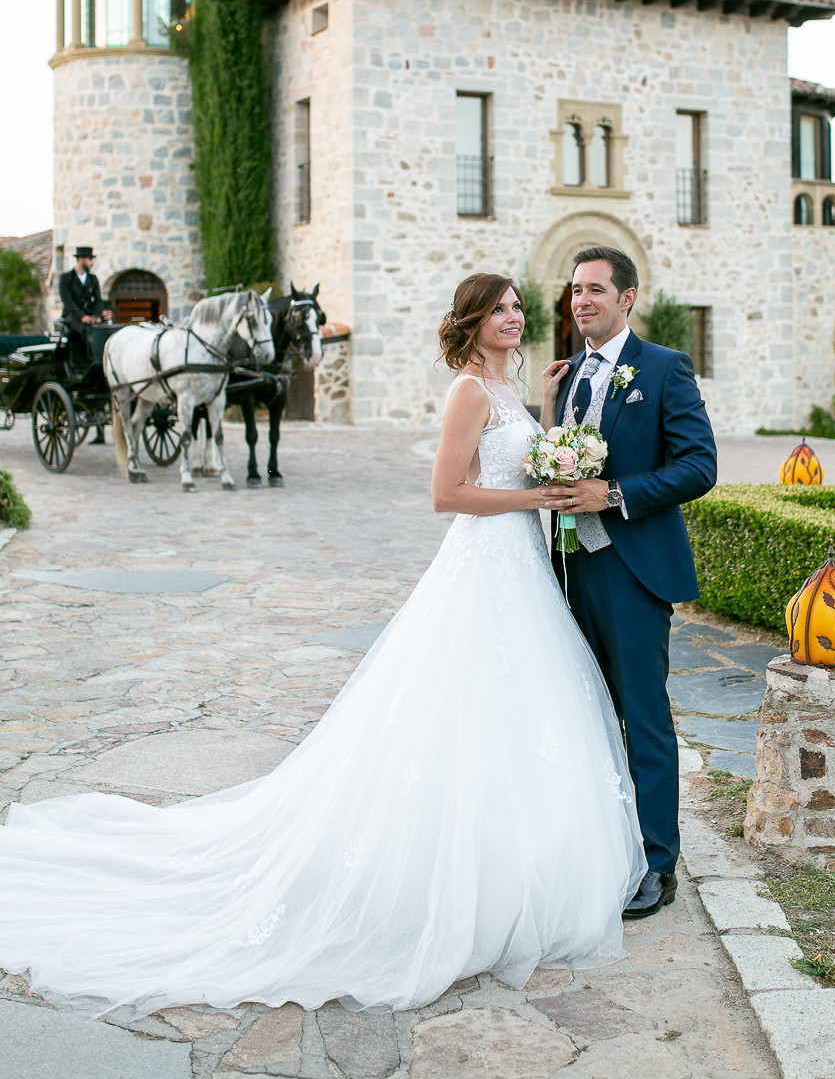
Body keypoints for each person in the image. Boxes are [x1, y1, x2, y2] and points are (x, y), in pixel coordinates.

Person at [0, 273, 644, 1018]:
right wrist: (540, 495)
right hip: (485, 565)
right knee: (464, 706)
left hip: (522, 567)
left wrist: (546, 421)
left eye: (516, 308)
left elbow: (506, 456)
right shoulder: (468, 391)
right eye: (498, 309)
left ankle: (521, 862)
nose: (514, 317)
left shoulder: (507, 390)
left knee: (515, 716)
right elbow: (447, 495)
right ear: (468, 322)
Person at [541, 246, 717, 920]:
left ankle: (656, 862)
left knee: (642, 719)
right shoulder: (570, 375)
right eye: (574, 291)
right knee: (583, 714)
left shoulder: (664, 368)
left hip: (631, 568)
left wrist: (611, 492)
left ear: (627, 298)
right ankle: (599, 847)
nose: (580, 300)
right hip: (567, 568)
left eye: (594, 289)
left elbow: (700, 466)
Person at [58, 246, 113, 442]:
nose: (91, 263)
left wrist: (97, 317)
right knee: (86, 333)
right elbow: (68, 303)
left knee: (103, 330)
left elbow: (98, 300)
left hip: (90, 317)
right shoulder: (66, 279)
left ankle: (103, 363)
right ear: (81, 260)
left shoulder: (93, 279)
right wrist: (83, 318)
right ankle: (85, 364)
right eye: (89, 260)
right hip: (73, 319)